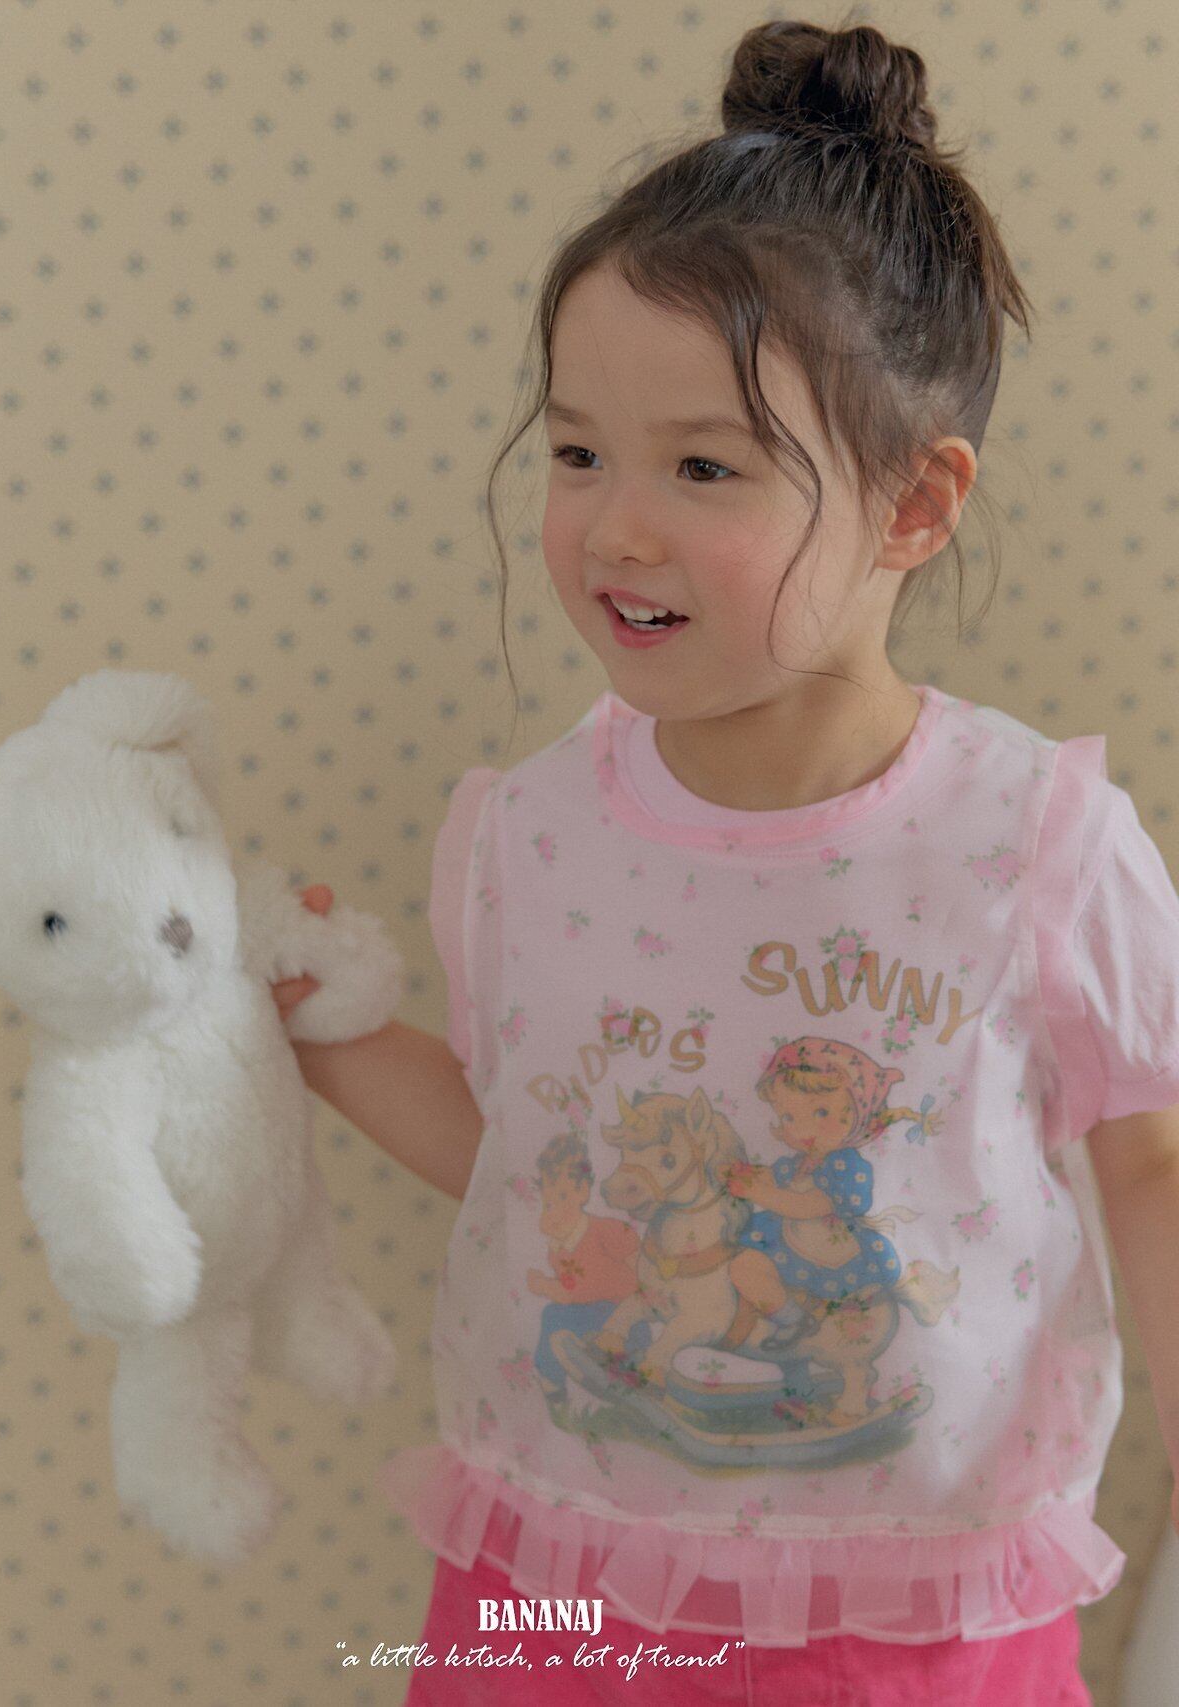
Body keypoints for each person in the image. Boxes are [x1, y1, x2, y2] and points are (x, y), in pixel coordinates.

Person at [273, 15, 1179, 1705]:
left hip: (913, 1610)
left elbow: (1152, 1165)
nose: (617, 525)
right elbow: (524, 1146)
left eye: (704, 466)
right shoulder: (527, 832)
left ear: (915, 506)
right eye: (577, 453)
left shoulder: (1035, 845)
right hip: (558, 1580)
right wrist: (313, 1030)